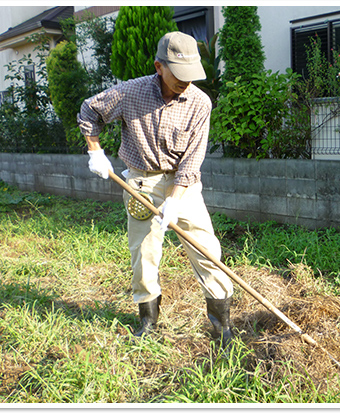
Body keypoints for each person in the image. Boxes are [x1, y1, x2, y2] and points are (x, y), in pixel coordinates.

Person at [77, 32, 234, 351]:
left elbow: (192, 159)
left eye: (191, 76)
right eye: (179, 74)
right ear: (159, 67)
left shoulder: (200, 103)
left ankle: (222, 324)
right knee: (144, 255)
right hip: (141, 184)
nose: (185, 82)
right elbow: (89, 112)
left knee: (207, 250)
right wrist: (95, 152)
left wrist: (175, 202)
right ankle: (148, 322)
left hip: (184, 186)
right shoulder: (130, 92)